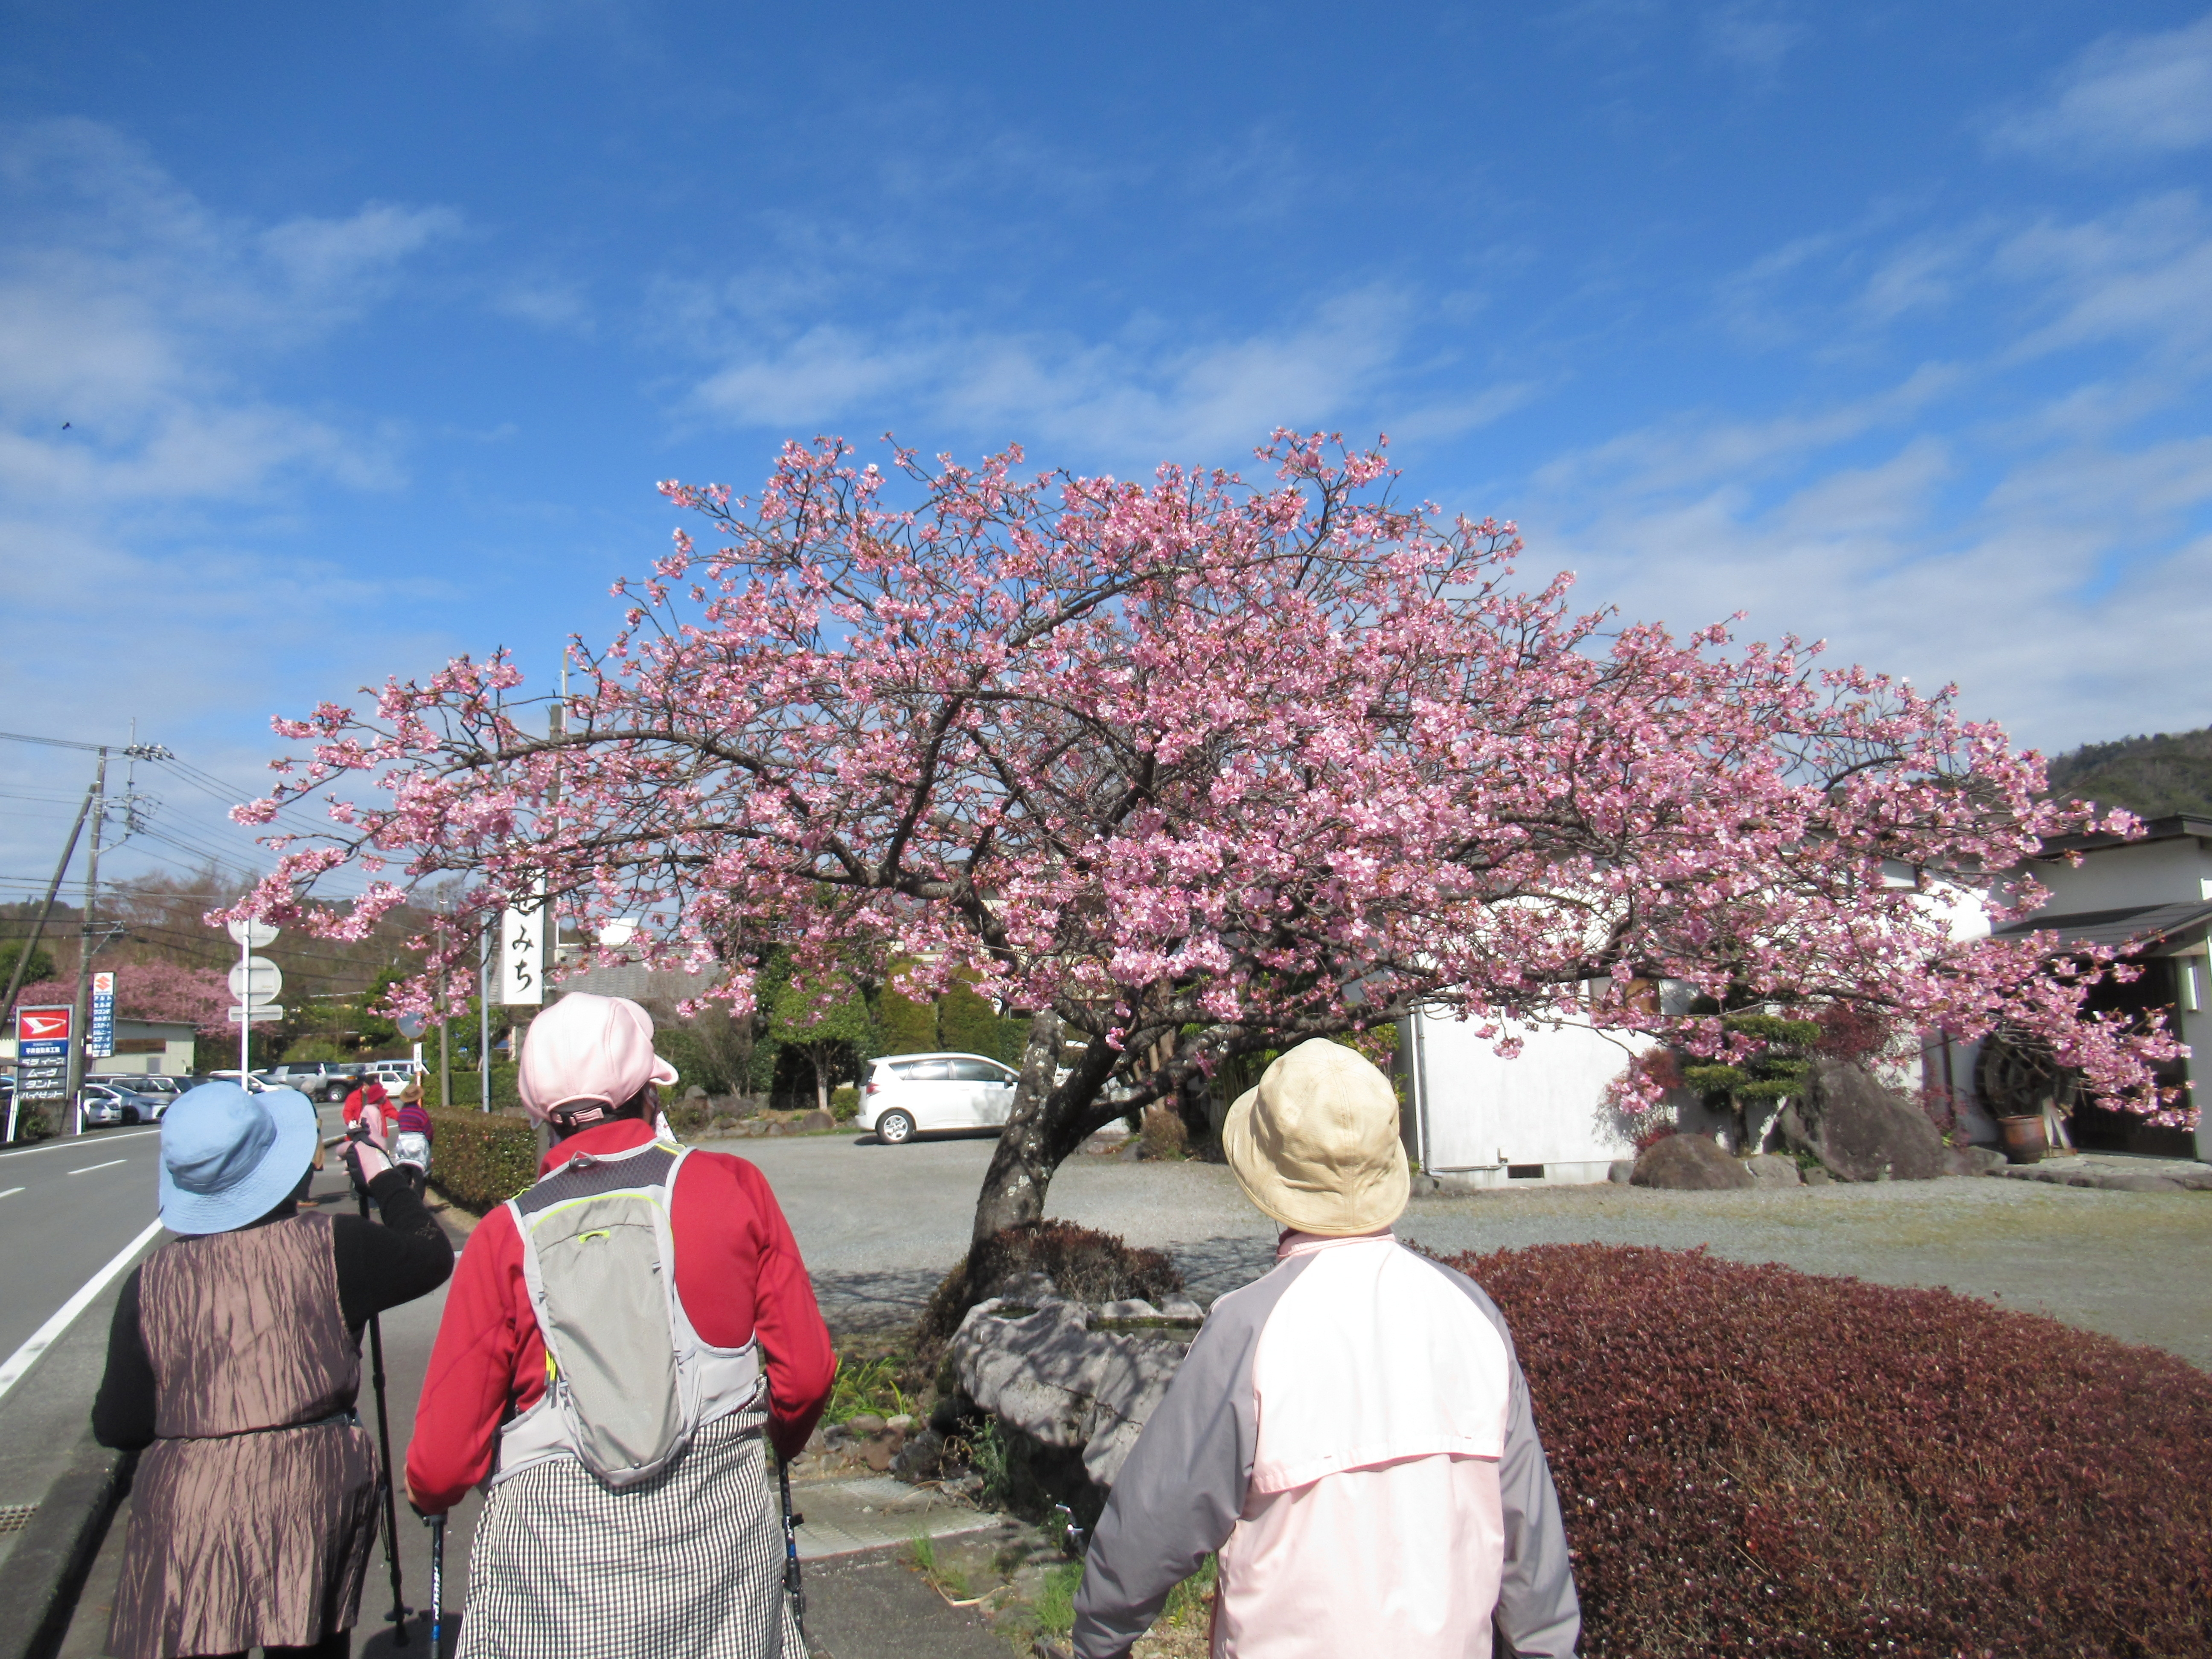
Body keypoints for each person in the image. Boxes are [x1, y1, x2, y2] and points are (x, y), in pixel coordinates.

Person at [1069, 1039, 1582, 1659]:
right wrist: (1548, 1645)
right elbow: (1528, 1529)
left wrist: (1102, 1634)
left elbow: (1158, 1517)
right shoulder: (1470, 1312)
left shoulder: (1250, 1329)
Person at [405, 992, 837, 1658]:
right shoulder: (731, 1186)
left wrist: (430, 1495)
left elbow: (440, 1465)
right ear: (648, 1094)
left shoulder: (503, 1236)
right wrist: (769, 1440)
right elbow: (804, 1376)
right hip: (721, 1551)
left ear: (543, 1114)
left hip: (562, 1581)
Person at [92, 1081, 454, 1659]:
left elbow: (119, 1425)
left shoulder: (151, 1282)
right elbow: (431, 1253)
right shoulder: (335, 1245)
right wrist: (384, 1175)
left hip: (186, 1507)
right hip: (308, 1488)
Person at [388, 1079, 434, 1197]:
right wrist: (428, 1144)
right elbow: (428, 1131)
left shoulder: (402, 1113)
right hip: (418, 1146)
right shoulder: (421, 1113)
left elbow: (401, 1127)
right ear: (417, 1098)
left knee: (404, 1176)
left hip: (403, 1144)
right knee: (419, 1177)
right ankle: (418, 1203)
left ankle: (404, 1199)